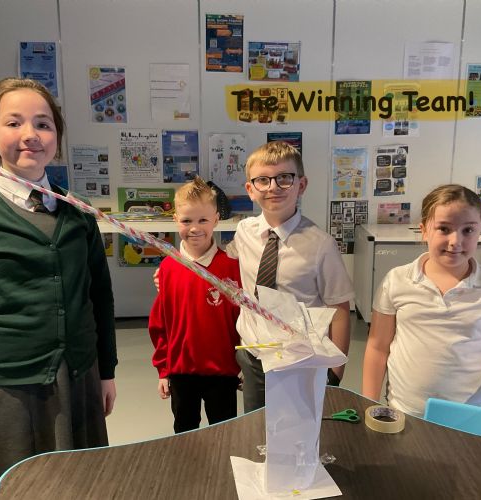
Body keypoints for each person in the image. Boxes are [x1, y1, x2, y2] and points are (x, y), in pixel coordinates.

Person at [0, 77, 117, 477]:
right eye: (13, 122)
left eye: (43, 124)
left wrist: (106, 371)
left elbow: (99, 295)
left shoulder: (78, 212)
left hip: (79, 373)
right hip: (11, 382)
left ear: (57, 137)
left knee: (81, 478)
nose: (30, 135)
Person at [230, 141, 354, 413]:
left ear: (302, 185)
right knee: (257, 425)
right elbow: (221, 262)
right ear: (250, 189)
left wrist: (335, 371)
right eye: (263, 180)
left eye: (284, 178)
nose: (273, 187)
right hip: (254, 354)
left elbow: (339, 307)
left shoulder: (321, 245)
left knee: (299, 426)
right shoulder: (244, 232)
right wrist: (170, 272)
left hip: (302, 358)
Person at [362, 184, 481, 418]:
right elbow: (377, 347)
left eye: (468, 230)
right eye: (444, 228)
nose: (455, 241)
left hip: (472, 415)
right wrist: (368, 405)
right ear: (424, 230)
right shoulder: (397, 281)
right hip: (406, 411)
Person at [149, 177, 241, 433]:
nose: (195, 228)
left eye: (203, 220)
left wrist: (243, 363)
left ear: (216, 219)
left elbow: (241, 320)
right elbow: (160, 323)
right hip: (182, 371)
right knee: (185, 432)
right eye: (187, 221)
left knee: (224, 433)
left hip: (223, 371)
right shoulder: (168, 268)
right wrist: (163, 369)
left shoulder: (231, 267)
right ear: (175, 220)